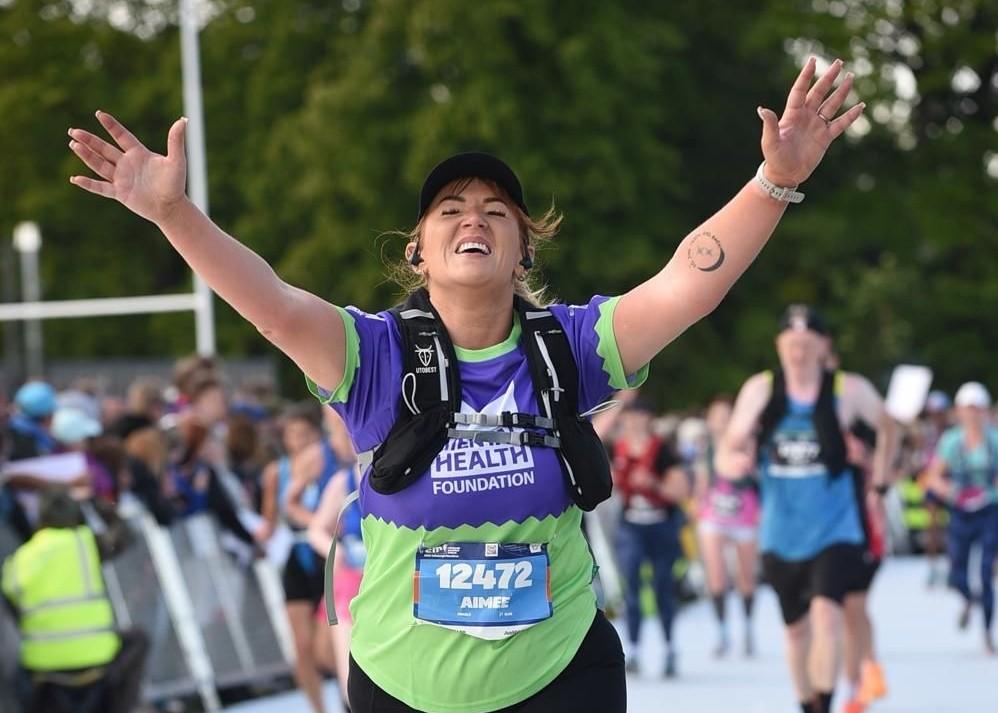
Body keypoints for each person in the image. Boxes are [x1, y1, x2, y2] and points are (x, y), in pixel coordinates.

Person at [68, 56, 863, 712]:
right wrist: (174, 215)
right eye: (450, 210)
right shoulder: (371, 355)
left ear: (523, 250)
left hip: (559, 678)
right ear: (418, 251)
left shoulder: (572, 348)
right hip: (401, 683)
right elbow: (271, 305)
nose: (473, 218)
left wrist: (774, 181)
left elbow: (689, 283)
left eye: (495, 211)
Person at [716, 305, 897, 713]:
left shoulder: (846, 390)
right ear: (779, 346)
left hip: (835, 529)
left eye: (806, 343)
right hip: (781, 533)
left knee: (828, 617)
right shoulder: (762, 390)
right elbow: (727, 448)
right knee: (796, 632)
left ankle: (827, 704)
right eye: (791, 343)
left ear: (822, 346)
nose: (798, 352)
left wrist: (880, 483)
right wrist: (733, 462)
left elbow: (889, 425)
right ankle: (807, 702)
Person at [1, 489, 148, 713]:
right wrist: (97, 502)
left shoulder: (20, 558)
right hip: (97, 660)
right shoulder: (85, 543)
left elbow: (13, 609)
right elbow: (125, 535)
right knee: (139, 640)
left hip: (45, 669)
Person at [258, 402, 336, 713]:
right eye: (292, 436)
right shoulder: (277, 471)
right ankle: (317, 708)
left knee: (325, 647)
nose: (299, 441)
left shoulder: (332, 459)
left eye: (304, 434)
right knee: (301, 646)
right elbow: (271, 516)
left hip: (327, 553)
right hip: (296, 553)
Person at [608, 398, 689, 677]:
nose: (634, 422)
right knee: (631, 586)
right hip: (631, 525)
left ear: (649, 419)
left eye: (639, 416)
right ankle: (634, 649)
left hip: (661, 524)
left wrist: (653, 483)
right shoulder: (616, 449)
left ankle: (669, 648)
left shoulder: (662, 450)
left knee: (662, 586)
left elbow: (681, 490)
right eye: (629, 417)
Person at [922, 381, 998, 655]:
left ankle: (988, 633)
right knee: (956, 573)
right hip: (961, 512)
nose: (973, 414)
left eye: (978, 409)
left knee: (987, 571)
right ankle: (969, 599)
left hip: (989, 510)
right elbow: (933, 477)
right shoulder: (951, 441)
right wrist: (953, 492)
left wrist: (987, 491)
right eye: (968, 409)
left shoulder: (994, 440)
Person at [694, 394, 760, 658]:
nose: (721, 422)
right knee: (717, 576)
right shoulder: (704, 447)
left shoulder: (747, 443)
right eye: (716, 417)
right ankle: (722, 631)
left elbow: (750, 474)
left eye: (726, 416)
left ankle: (747, 626)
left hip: (744, 513)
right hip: (713, 515)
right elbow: (701, 482)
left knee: (746, 577)